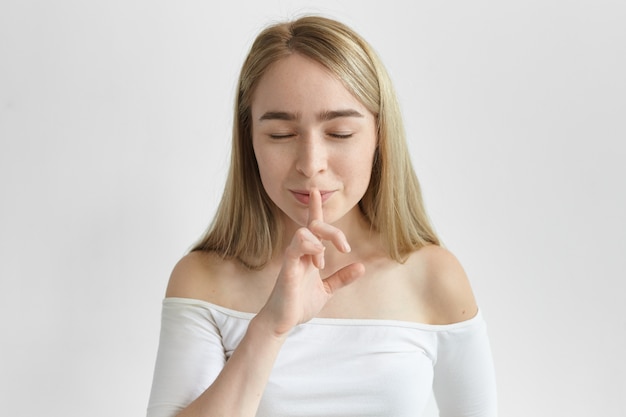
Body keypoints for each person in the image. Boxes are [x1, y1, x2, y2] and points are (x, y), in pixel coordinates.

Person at [147, 15, 497, 417]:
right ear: (249, 142)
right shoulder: (202, 279)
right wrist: (271, 326)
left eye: (340, 133)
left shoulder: (434, 276)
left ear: (380, 137)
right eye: (281, 135)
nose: (310, 164)